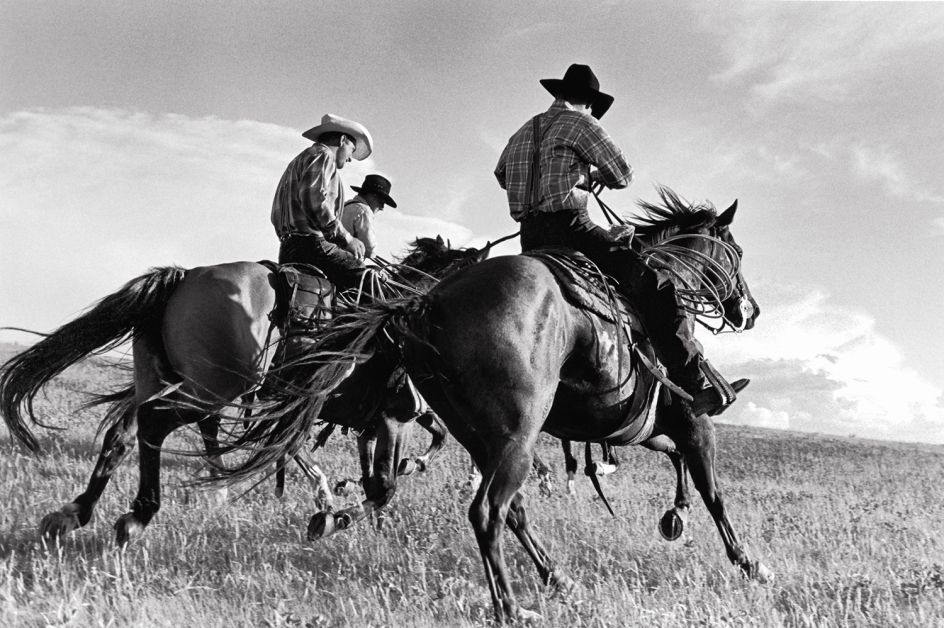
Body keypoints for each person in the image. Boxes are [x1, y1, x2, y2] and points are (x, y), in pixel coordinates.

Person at [494, 63, 745, 417]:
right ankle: (692, 384)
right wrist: (594, 175)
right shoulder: (582, 123)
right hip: (571, 229)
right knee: (656, 286)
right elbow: (623, 173)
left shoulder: (522, 131)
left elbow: (502, 175)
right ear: (590, 103)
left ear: (559, 94)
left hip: (531, 237)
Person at [271, 113, 373, 291]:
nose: (350, 158)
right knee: (369, 281)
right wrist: (347, 239)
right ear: (342, 140)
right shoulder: (323, 155)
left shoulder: (296, 162)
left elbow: (275, 215)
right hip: (313, 247)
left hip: (287, 248)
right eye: (352, 149)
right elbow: (314, 202)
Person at [339, 174, 398, 258]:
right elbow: (370, 249)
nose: (382, 208)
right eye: (381, 202)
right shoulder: (364, 211)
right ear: (373, 196)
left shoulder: (344, 205)